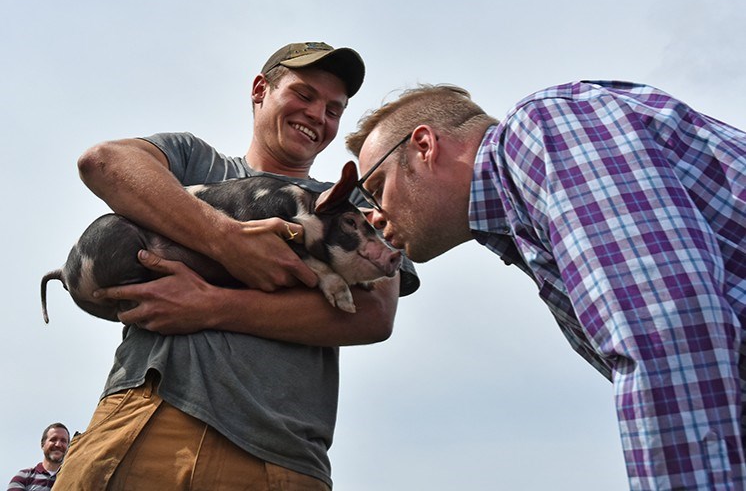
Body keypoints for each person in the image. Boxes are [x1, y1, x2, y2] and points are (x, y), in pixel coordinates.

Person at [53, 42, 418, 490]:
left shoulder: (351, 201)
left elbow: (374, 315)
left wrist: (212, 306)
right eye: (303, 94)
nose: (317, 115)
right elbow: (104, 161)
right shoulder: (192, 162)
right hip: (141, 418)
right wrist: (229, 243)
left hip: (278, 450)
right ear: (260, 89)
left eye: (333, 108)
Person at [347, 81, 746, 490]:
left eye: (376, 190)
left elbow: (667, 331)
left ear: (425, 146)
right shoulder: (526, 221)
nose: (374, 216)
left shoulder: (543, 128)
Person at [8, 423, 70, 491]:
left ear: (68, 447)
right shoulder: (23, 476)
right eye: (53, 439)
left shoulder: (72, 478)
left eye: (63, 441)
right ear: (42, 444)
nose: (58, 444)